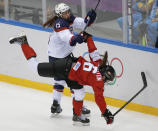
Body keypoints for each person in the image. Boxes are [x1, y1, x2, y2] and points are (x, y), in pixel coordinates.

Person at [9, 31, 115, 125]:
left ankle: (77, 115)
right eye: (106, 79)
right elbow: (99, 98)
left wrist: (89, 38)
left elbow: (93, 51)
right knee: (36, 68)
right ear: (103, 75)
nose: (105, 81)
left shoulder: (99, 63)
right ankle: (23, 43)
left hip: (73, 73)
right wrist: (106, 113)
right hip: (65, 68)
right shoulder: (99, 81)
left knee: (80, 93)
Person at [42, 3, 97, 116]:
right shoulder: (59, 24)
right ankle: (79, 107)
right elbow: (69, 39)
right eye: (65, 13)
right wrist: (79, 37)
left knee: (60, 80)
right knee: (73, 81)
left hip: (60, 56)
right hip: (58, 58)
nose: (67, 14)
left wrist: (89, 18)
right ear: (59, 15)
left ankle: (55, 105)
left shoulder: (69, 18)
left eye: (68, 11)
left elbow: (83, 24)